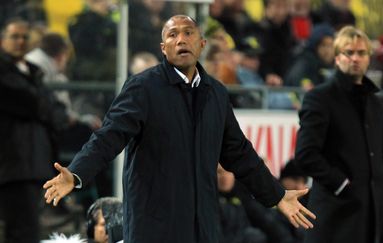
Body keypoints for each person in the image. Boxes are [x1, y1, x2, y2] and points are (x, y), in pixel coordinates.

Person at [43, 15, 316, 243]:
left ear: (201, 43)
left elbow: (240, 153)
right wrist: (77, 173)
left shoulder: (216, 94)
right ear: (163, 47)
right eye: (173, 35)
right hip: (155, 226)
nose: (181, 39)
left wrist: (276, 194)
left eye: (188, 33)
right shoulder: (143, 88)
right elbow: (109, 136)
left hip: (203, 227)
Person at [294, 26, 383, 243]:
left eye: (361, 53)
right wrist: (341, 184)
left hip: (370, 218)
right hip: (333, 220)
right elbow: (305, 154)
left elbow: (381, 152)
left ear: (368, 58)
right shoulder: (320, 98)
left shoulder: (375, 103)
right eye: (349, 52)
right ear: (338, 58)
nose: (355, 58)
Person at [0, 18, 70, 243]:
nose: (20, 41)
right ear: (3, 40)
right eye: (14, 36)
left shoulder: (34, 72)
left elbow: (56, 111)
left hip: (33, 163)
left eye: (24, 37)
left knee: (27, 230)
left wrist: (43, 107)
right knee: (20, 230)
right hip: (11, 163)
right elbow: (28, 102)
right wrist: (43, 107)